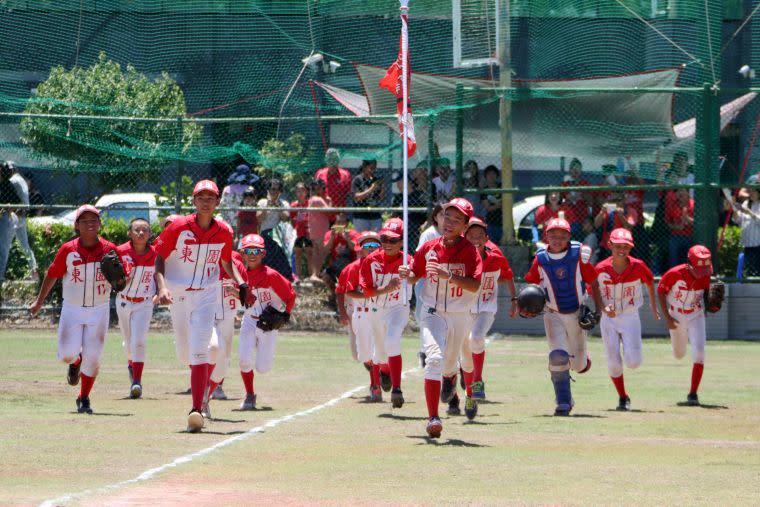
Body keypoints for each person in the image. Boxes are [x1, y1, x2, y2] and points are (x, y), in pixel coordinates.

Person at [153, 179, 248, 432]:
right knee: (187, 354)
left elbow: (226, 262)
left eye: (211, 198)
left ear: (218, 202)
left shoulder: (225, 231)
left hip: (207, 293)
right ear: (193, 201)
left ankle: (196, 409)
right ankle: (199, 395)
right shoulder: (178, 227)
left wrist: (240, 282)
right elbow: (159, 257)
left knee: (206, 350)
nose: (206, 202)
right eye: (201, 198)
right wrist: (162, 288)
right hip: (179, 295)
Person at [399, 198, 483, 438]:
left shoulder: (470, 251)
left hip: (459, 314)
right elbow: (415, 275)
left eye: (457, 220)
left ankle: (451, 376)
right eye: (447, 216)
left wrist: (450, 276)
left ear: (465, 226)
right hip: (432, 311)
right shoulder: (430, 247)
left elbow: (475, 284)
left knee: (449, 364)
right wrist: (408, 273)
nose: (450, 222)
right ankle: (433, 418)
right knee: (433, 359)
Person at [30, 205, 118, 415]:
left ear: (100, 224)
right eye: (84, 220)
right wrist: (39, 301)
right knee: (66, 356)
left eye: (94, 219)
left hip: (99, 308)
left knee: (94, 358)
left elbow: (121, 277)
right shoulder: (68, 249)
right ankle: (76, 361)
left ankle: (84, 397)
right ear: (77, 225)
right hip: (72, 308)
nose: (90, 223)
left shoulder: (109, 249)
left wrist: (124, 279)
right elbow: (52, 274)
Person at [523, 216, 603, 416]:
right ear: (546, 236)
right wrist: (523, 304)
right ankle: (564, 401)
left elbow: (593, 282)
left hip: (576, 312)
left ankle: (582, 360)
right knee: (558, 356)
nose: (557, 239)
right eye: (553, 235)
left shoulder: (578, 255)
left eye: (562, 236)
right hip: (553, 314)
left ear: (569, 237)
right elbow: (531, 284)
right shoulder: (540, 258)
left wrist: (599, 310)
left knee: (579, 366)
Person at [595, 228, 660, 411]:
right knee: (614, 363)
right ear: (610, 245)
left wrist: (653, 308)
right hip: (609, 318)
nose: (622, 249)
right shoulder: (601, 268)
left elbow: (649, 281)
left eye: (626, 246)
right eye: (618, 246)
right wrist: (603, 308)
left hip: (630, 315)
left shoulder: (638, 266)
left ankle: (628, 346)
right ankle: (623, 397)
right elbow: (592, 287)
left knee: (633, 362)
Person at [460, 217, 517, 408]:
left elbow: (507, 275)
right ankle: (467, 385)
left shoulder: (495, 256)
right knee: (464, 349)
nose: (475, 239)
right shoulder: (459, 256)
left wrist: (514, 300)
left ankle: (477, 380)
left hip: (485, 307)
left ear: (486, 237)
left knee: (475, 338)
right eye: (471, 235)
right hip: (464, 308)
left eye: (479, 235)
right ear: (464, 235)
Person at [238, 233, 297, 410]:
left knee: (263, 368)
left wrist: (285, 315)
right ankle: (250, 395)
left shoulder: (271, 276)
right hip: (249, 320)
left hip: (268, 325)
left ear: (263, 254)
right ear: (242, 253)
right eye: (248, 250)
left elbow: (290, 295)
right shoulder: (240, 275)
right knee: (244, 361)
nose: (252, 254)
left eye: (257, 250)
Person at [359, 218, 413, 408]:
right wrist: (386, 289)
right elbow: (366, 291)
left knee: (392, 341)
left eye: (393, 240)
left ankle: (397, 389)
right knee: (380, 355)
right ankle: (385, 371)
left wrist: (410, 275)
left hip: (398, 307)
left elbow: (416, 277)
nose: (388, 244)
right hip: (376, 308)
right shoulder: (370, 261)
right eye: (385, 239)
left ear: (401, 242)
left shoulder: (407, 260)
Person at [656, 245, 716, 406]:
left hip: (696, 314)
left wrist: (711, 304)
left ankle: (693, 393)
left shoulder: (706, 274)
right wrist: (667, 318)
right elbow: (661, 291)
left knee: (699, 353)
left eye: (705, 269)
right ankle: (678, 349)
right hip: (676, 316)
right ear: (689, 263)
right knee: (679, 354)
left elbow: (706, 294)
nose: (702, 272)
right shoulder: (674, 273)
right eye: (699, 268)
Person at [115, 218, 157, 399]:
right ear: (129, 233)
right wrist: (120, 278)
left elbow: (160, 274)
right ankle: (131, 363)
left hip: (145, 302)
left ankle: (137, 382)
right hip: (124, 300)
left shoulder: (156, 254)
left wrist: (160, 290)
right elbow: (111, 277)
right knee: (128, 343)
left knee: (139, 340)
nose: (141, 233)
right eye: (137, 230)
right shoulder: (120, 251)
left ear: (150, 234)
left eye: (145, 230)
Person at [204, 245, 248, 415]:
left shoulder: (236, 263)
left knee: (223, 366)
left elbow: (248, 297)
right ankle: (201, 396)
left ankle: (206, 396)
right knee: (213, 348)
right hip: (206, 316)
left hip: (227, 319)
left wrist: (237, 292)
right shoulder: (203, 261)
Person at [335, 231, 380, 367]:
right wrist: (342, 313)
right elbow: (341, 291)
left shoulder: (383, 265)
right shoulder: (352, 268)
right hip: (356, 310)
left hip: (379, 310)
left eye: (374, 244)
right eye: (367, 245)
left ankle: (377, 378)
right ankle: (371, 368)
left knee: (378, 348)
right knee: (358, 353)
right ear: (361, 248)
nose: (371, 248)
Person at [256, 179, 293, 281]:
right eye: (271, 189)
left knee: (280, 259)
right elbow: (259, 218)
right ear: (268, 190)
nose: (273, 192)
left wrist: (277, 205)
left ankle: (283, 279)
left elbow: (286, 217)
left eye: (276, 189)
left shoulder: (283, 203)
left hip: (279, 233)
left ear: (280, 191)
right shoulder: (262, 202)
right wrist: (268, 205)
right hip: (266, 233)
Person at [8, 164, 38, 280]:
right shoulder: (22, 180)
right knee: (24, 245)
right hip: (22, 215)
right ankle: (33, 271)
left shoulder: (13, 180)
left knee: (5, 245)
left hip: (15, 215)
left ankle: (5, 272)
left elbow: (11, 199)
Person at [594, 192, 638, 258]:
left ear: (624, 200)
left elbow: (629, 226)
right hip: (608, 245)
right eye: (614, 201)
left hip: (624, 244)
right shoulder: (609, 211)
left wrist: (621, 216)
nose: (616, 203)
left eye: (619, 200)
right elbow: (596, 224)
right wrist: (601, 212)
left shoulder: (630, 211)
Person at [322, 212, 359, 291]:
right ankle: (333, 295)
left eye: (343, 222)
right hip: (335, 265)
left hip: (350, 266)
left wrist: (347, 239)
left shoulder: (352, 233)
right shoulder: (329, 234)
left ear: (347, 223)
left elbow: (356, 248)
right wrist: (332, 238)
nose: (341, 225)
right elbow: (325, 250)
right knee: (325, 276)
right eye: (338, 222)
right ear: (334, 223)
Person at [0, 161, 22, 289]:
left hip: (4, 218)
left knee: (3, 248)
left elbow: (16, 203)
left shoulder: (7, 185)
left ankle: (0, 276)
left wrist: (7, 209)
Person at [307, 178, 332, 283]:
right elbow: (329, 211)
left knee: (317, 253)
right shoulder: (318, 199)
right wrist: (329, 201)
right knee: (321, 253)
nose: (323, 189)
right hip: (320, 229)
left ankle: (315, 274)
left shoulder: (312, 199)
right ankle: (315, 274)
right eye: (322, 187)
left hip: (314, 229)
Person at [731, 187, 760, 277]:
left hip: (757, 245)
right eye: (749, 191)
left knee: (756, 272)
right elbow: (737, 220)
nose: (750, 193)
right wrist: (735, 210)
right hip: (746, 244)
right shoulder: (746, 203)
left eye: (753, 191)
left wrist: (749, 212)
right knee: (748, 272)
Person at [351, 159, 385, 232]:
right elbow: (356, 198)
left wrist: (382, 187)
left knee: (375, 240)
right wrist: (371, 189)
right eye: (371, 168)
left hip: (375, 216)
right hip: (361, 216)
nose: (373, 170)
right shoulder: (358, 179)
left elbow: (381, 198)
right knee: (362, 240)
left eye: (375, 168)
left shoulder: (375, 179)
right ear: (364, 167)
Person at [221, 164, 258, 230]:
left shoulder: (226, 189)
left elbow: (222, 204)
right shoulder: (250, 189)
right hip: (244, 223)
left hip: (227, 222)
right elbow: (253, 206)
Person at [665, 188, 694, 268]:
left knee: (690, 256)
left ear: (687, 193)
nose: (679, 193)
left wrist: (689, 220)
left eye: (682, 190)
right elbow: (667, 223)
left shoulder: (693, 204)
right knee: (673, 252)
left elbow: (699, 223)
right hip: (676, 236)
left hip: (690, 236)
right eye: (678, 191)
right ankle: (674, 272)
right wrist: (676, 226)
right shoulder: (672, 205)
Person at [290, 182, 312, 281]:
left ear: (306, 191)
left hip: (308, 232)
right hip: (299, 232)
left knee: (309, 253)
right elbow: (292, 221)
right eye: (298, 190)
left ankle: (311, 276)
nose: (300, 192)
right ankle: (298, 276)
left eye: (302, 190)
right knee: (298, 253)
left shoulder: (310, 203)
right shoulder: (294, 205)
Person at [560, 157, 592, 226]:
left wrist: (582, 192)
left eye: (578, 168)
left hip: (582, 217)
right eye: (573, 168)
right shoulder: (564, 184)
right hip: (568, 217)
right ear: (570, 170)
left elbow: (591, 202)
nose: (575, 170)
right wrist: (569, 199)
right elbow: (559, 203)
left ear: (581, 170)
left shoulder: (585, 184)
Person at [479, 165, 503, 244]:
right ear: (486, 176)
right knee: (492, 243)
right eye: (489, 174)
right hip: (490, 221)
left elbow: (507, 201)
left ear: (497, 175)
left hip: (503, 219)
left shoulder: (501, 186)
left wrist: (497, 205)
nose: (491, 176)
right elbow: (488, 207)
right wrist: (499, 204)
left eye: (493, 174)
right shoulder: (485, 190)